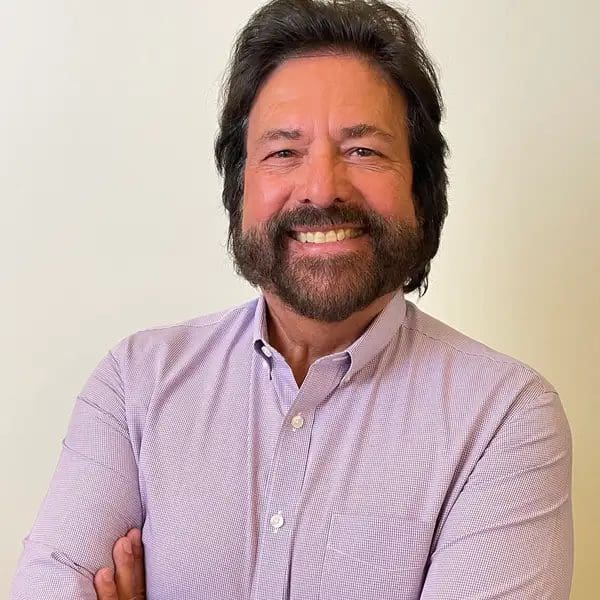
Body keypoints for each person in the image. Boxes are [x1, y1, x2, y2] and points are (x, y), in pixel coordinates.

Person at [10, 0, 573, 598]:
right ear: (239, 188)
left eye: (363, 150)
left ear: (421, 186)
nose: (322, 188)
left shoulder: (505, 420)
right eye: (283, 151)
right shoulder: (137, 386)